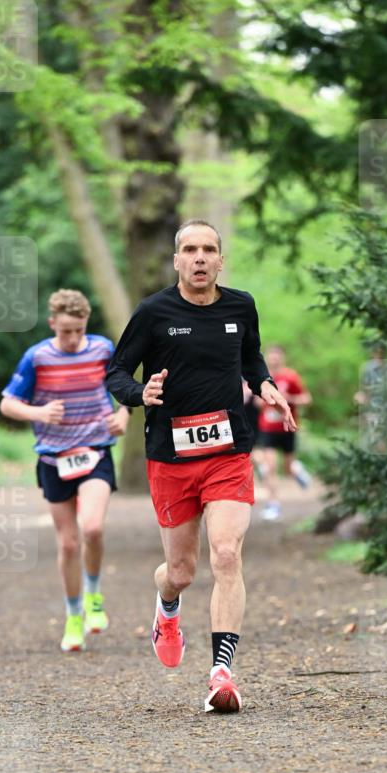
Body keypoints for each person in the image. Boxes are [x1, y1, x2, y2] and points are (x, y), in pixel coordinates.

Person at [106, 220, 295, 713]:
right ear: (176, 260)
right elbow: (117, 372)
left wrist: (267, 385)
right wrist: (138, 394)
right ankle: (167, 607)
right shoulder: (153, 312)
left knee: (227, 554)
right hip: (170, 457)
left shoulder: (241, 306)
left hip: (228, 453)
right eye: (190, 249)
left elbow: (250, 359)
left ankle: (221, 673)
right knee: (183, 571)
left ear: (220, 259)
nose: (200, 257)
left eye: (209, 249)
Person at [0, 289, 130, 652]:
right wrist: (39, 413)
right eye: (66, 331)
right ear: (53, 323)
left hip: (95, 452)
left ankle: (93, 594)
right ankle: (74, 617)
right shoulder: (37, 357)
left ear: (87, 324)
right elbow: (8, 403)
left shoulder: (103, 349)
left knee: (93, 527)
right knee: (68, 543)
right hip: (53, 459)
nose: (73, 339)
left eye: (80, 330)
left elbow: (123, 391)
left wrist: (123, 415)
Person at [256, 344, 312, 521]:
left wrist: (290, 399)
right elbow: (258, 403)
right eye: (271, 356)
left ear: (282, 358)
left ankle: (297, 470)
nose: (274, 359)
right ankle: (273, 505)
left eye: (277, 356)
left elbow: (306, 399)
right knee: (270, 467)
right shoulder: (262, 378)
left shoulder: (290, 376)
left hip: (288, 427)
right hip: (268, 428)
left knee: (287, 468)